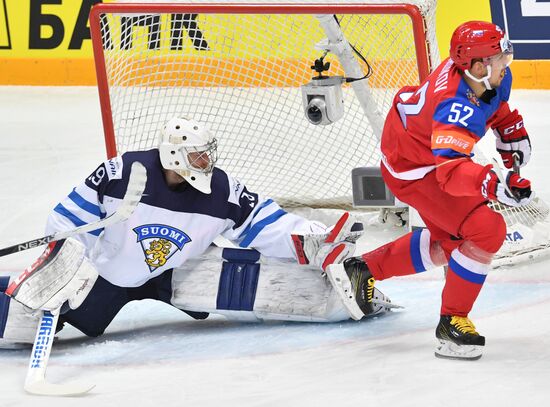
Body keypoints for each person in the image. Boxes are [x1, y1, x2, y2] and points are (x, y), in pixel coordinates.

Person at [0, 117, 392, 348]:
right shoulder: (122, 173)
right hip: (109, 273)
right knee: (37, 319)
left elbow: (265, 221)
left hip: (180, 271)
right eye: (199, 155)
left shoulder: (221, 189)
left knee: (250, 280)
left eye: (208, 153)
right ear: (175, 156)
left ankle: (345, 295)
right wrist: (64, 270)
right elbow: (68, 221)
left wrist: (312, 238)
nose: (208, 161)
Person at [327, 21, 534, 360]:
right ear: (479, 66)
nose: (506, 64)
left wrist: (508, 128)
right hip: (415, 170)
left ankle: (362, 270)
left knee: (453, 239)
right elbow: (451, 174)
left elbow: (493, 102)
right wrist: (494, 185)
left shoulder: (481, 75)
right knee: (485, 230)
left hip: (416, 150)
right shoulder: (453, 106)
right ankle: (451, 323)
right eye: (500, 59)